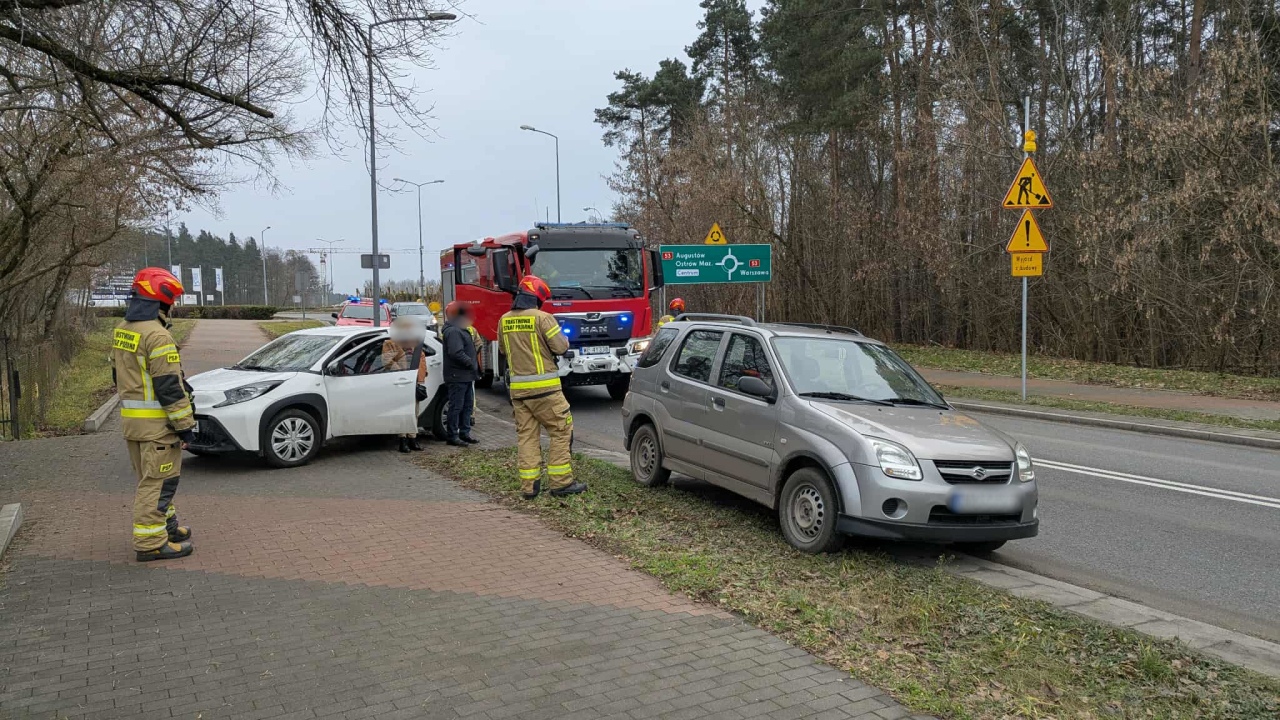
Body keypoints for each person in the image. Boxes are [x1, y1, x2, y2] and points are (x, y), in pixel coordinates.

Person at [112, 268, 196, 562]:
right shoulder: (157, 336)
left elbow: (119, 375)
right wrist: (186, 426)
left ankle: (167, 527)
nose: (172, 306)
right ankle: (151, 543)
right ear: (161, 301)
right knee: (158, 483)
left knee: (154, 479)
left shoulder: (124, 329)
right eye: (171, 300)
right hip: (157, 427)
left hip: (133, 424)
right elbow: (169, 388)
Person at [497, 275, 586, 499]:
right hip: (546, 389)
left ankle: (529, 487)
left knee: (527, 436)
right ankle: (560, 482)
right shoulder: (544, 318)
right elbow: (560, 346)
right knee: (561, 430)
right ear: (537, 298)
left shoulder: (504, 320)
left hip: (518, 391)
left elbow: (503, 351)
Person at [382, 317, 429, 453]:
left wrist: (421, 377)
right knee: (403, 411)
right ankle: (403, 440)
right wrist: (401, 373)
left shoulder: (415, 342)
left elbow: (421, 359)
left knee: (414, 412)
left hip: (414, 381)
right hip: (400, 381)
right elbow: (387, 361)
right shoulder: (390, 343)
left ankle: (412, 438)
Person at [442, 302, 479, 447]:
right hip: (458, 375)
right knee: (456, 406)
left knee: (467, 406)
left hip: (465, 375)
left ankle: (464, 432)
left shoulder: (459, 329)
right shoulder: (453, 331)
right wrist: (470, 363)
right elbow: (456, 352)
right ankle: (452, 435)